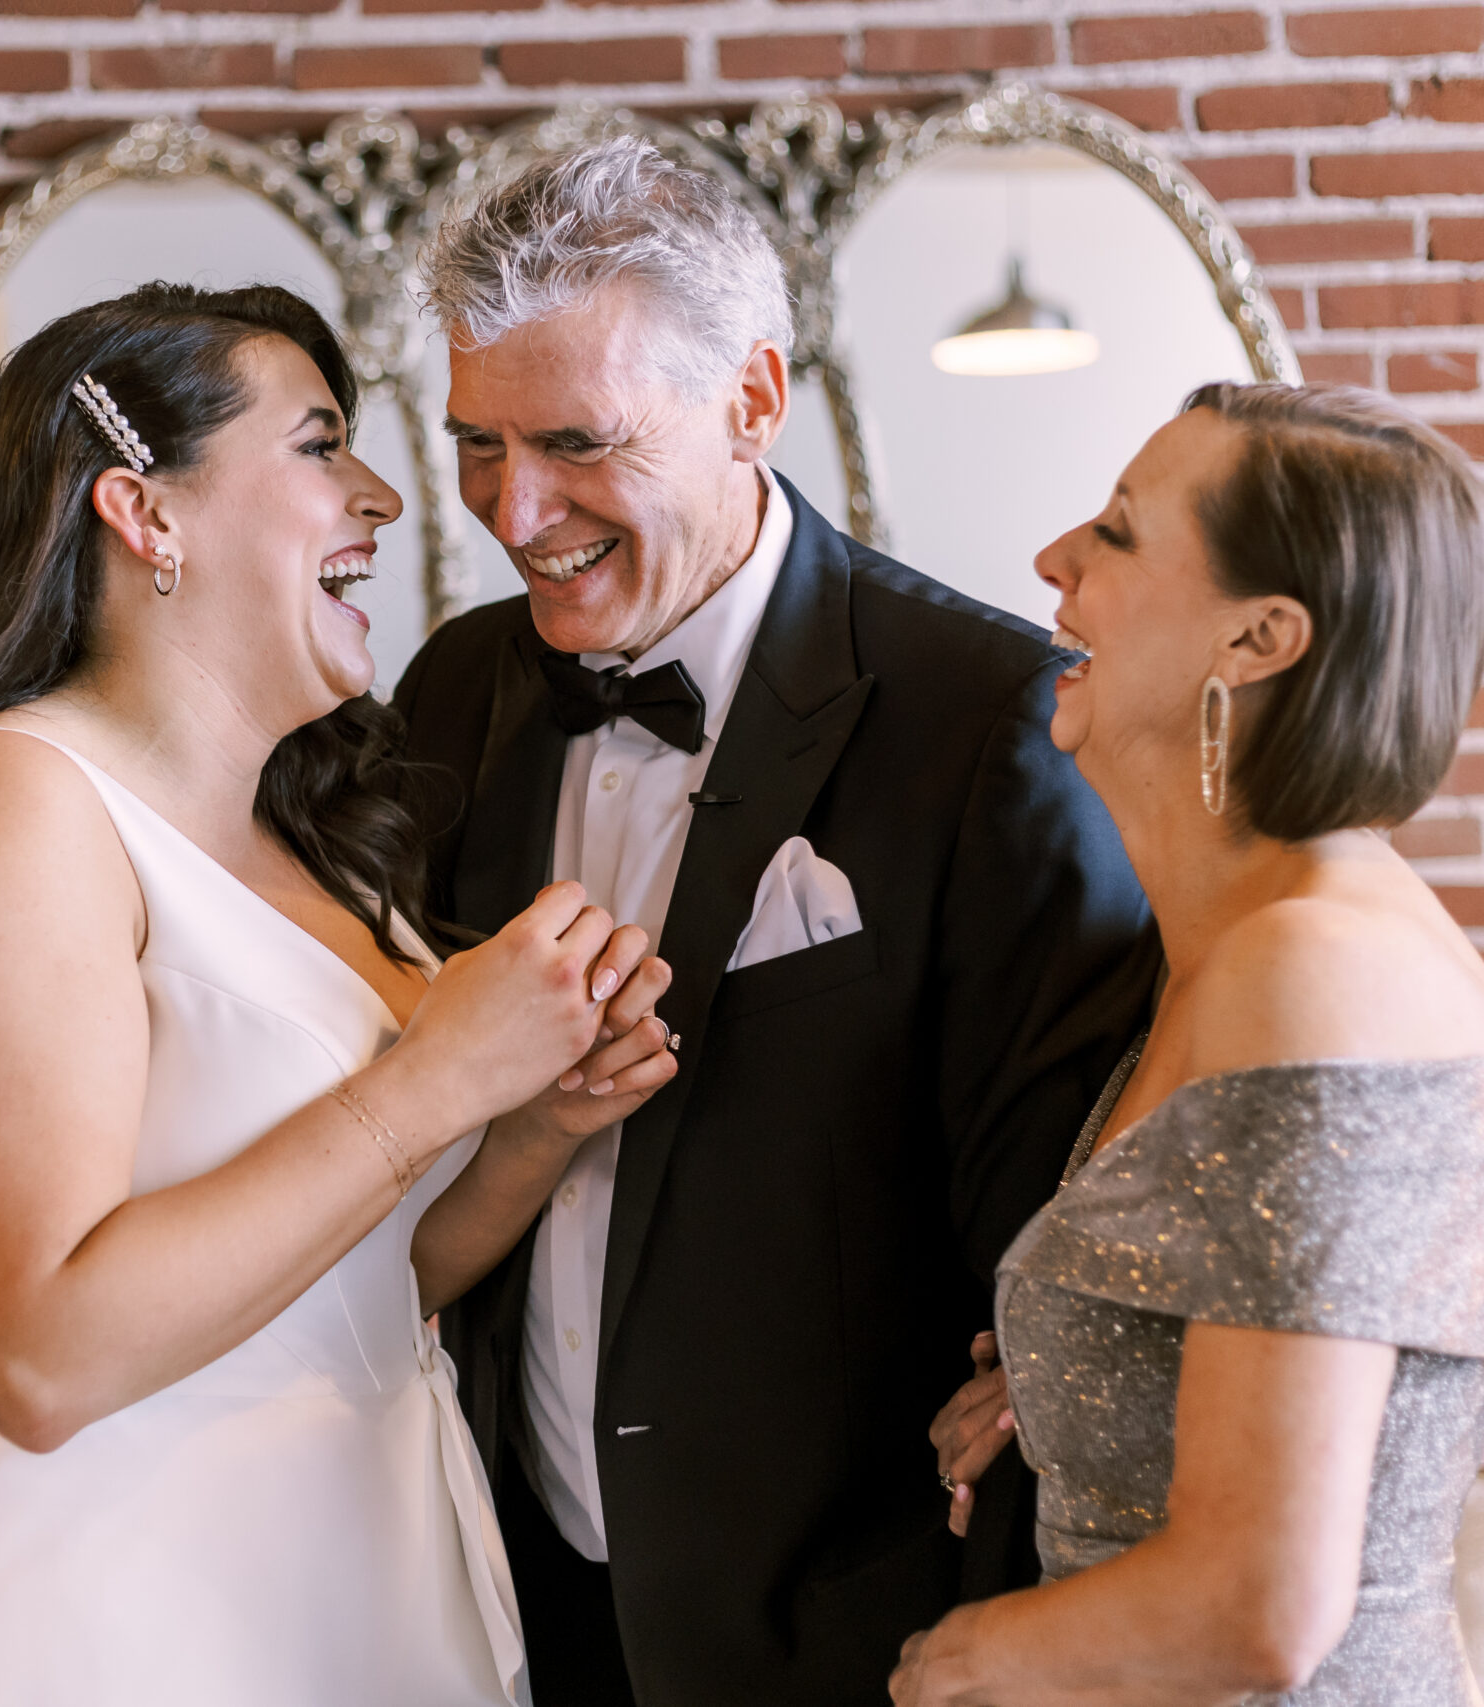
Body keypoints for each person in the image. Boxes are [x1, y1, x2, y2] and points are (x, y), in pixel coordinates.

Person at [0, 283, 688, 1706]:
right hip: (111, 1599)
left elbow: (367, 1280)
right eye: (317, 448)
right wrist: (439, 1079)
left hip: (358, 1569)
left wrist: (537, 1116)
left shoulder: (311, 840)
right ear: (145, 513)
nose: (384, 497)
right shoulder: (3, 805)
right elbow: (35, 1355)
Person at [393, 139, 1158, 1707]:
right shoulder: (455, 692)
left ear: (753, 397)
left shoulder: (992, 723)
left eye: (574, 442)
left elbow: (1049, 1242)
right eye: (475, 443)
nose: (514, 510)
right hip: (497, 1601)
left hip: (844, 1630)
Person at [891, 383, 1484, 1706]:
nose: (1056, 563)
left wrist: (958, 1665)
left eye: (1117, 532)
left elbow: (1259, 1607)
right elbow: (1462, 1415)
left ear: (1258, 639)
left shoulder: (1312, 969)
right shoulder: (1293, 938)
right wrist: (1084, 1374)